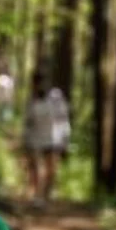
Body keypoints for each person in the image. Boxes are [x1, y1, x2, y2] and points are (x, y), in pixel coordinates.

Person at [22, 71, 71, 204]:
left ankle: (45, 194)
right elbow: (28, 121)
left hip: (53, 139)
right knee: (37, 168)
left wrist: (65, 139)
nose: (38, 86)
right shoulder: (32, 100)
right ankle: (38, 196)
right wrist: (25, 139)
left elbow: (63, 119)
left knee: (51, 169)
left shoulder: (56, 97)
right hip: (35, 139)